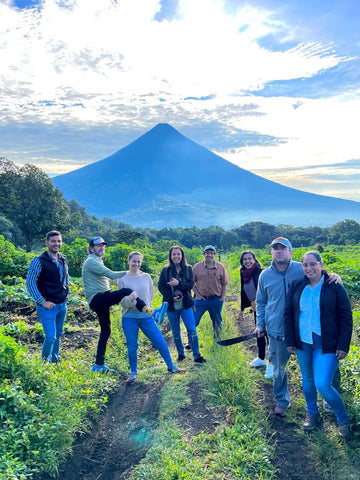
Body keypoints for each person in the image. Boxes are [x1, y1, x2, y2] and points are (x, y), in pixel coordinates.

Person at [256, 237, 341, 417]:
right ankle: (282, 400)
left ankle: (328, 398)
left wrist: (333, 275)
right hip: (277, 330)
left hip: (303, 330)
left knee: (327, 365)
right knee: (278, 369)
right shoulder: (265, 275)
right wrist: (260, 324)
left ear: (290, 252)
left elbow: (318, 275)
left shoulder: (301, 269)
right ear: (271, 252)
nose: (279, 251)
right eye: (275, 249)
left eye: (283, 248)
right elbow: (261, 302)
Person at [284, 251, 352, 439]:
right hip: (303, 342)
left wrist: (343, 345)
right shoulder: (298, 285)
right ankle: (312, 413)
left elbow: (346, 316)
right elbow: (289, 314)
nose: (309, 268)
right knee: (307, 380)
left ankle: (343, 420)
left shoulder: (334, 285)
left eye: (313, 264)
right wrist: (290, 340)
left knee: (323, 383)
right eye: (305, 265)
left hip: (327, 343)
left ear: (321, 265)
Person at [82, 237, 167, 373]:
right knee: (127, 291)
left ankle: (98, 365)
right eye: (98, 246)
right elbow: (109, 274)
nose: (101, 248)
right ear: (91, 248)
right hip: (97, 298)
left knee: (106, 331)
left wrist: (134, 275)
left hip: (100, 299)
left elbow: (108, 279)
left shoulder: (98, 260)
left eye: (103, 245)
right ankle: (153, 313)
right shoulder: (91, 260)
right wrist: (129, 274)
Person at [118, 251, 184, 382]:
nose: (136, 264)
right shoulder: (122, 278)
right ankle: (133, 373)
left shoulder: (146, 277)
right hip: (129, 317)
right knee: (132, 346)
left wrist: (143, 307)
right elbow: (122, 302)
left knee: (160, 341)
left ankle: (171, 366)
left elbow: (150, 295)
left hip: (146, 317)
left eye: (138, 262)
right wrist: (133, 302)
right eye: (134, 261)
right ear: (129, 261)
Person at [158, 245, 206, 364]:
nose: (176, 256)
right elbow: (161, 286)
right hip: (171, 306)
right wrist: (171, 298)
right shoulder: (166, 270)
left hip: (186, 305)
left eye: (178, 254)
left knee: (191, 329)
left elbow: (190, 285)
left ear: (182, 255)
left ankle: (196, 355)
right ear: (170, 256)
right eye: (174, 254)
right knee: (175, 332)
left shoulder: (188, 268)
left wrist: (178, 283)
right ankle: (181, 354)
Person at [26, 230, 69, 363]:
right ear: (47, 242)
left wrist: (67, 292)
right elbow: (30, 283)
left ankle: (55, 360)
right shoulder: (38, 261)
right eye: (53, 241)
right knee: (50, 337)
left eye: (59, 241)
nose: (56, 244)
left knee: (58, 335)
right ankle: (44, 365)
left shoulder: (62, 259)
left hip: (62, 304)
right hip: (48, 306)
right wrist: (42, 301)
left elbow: (66, 277)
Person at [239, 250, 273, 379]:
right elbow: (243, 291)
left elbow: (267, 292)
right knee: (259, 333)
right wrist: (242, 308)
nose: (247, 261)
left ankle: (272, 364)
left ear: (254, 260)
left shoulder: (261, 273)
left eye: (249, 259)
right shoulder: (243, 273)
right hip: (256, 309)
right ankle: (261, 358)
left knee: (270, 336)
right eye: (244, 259)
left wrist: (258, 303)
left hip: (267, 308)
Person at [192, 245, 229, 338]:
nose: (209, 255)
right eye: (207, 253)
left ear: (214, 255)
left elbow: (224, 283)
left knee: (217, 322)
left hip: (216, 299)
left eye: (211, 253)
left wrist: (222, 297)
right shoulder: (197, 267)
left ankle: (218, 341)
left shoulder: (220, 267)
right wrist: (198, 295)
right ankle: (191, 340)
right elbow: (191, 283)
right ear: (204, 254)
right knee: (193, 321)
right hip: (201, 300)